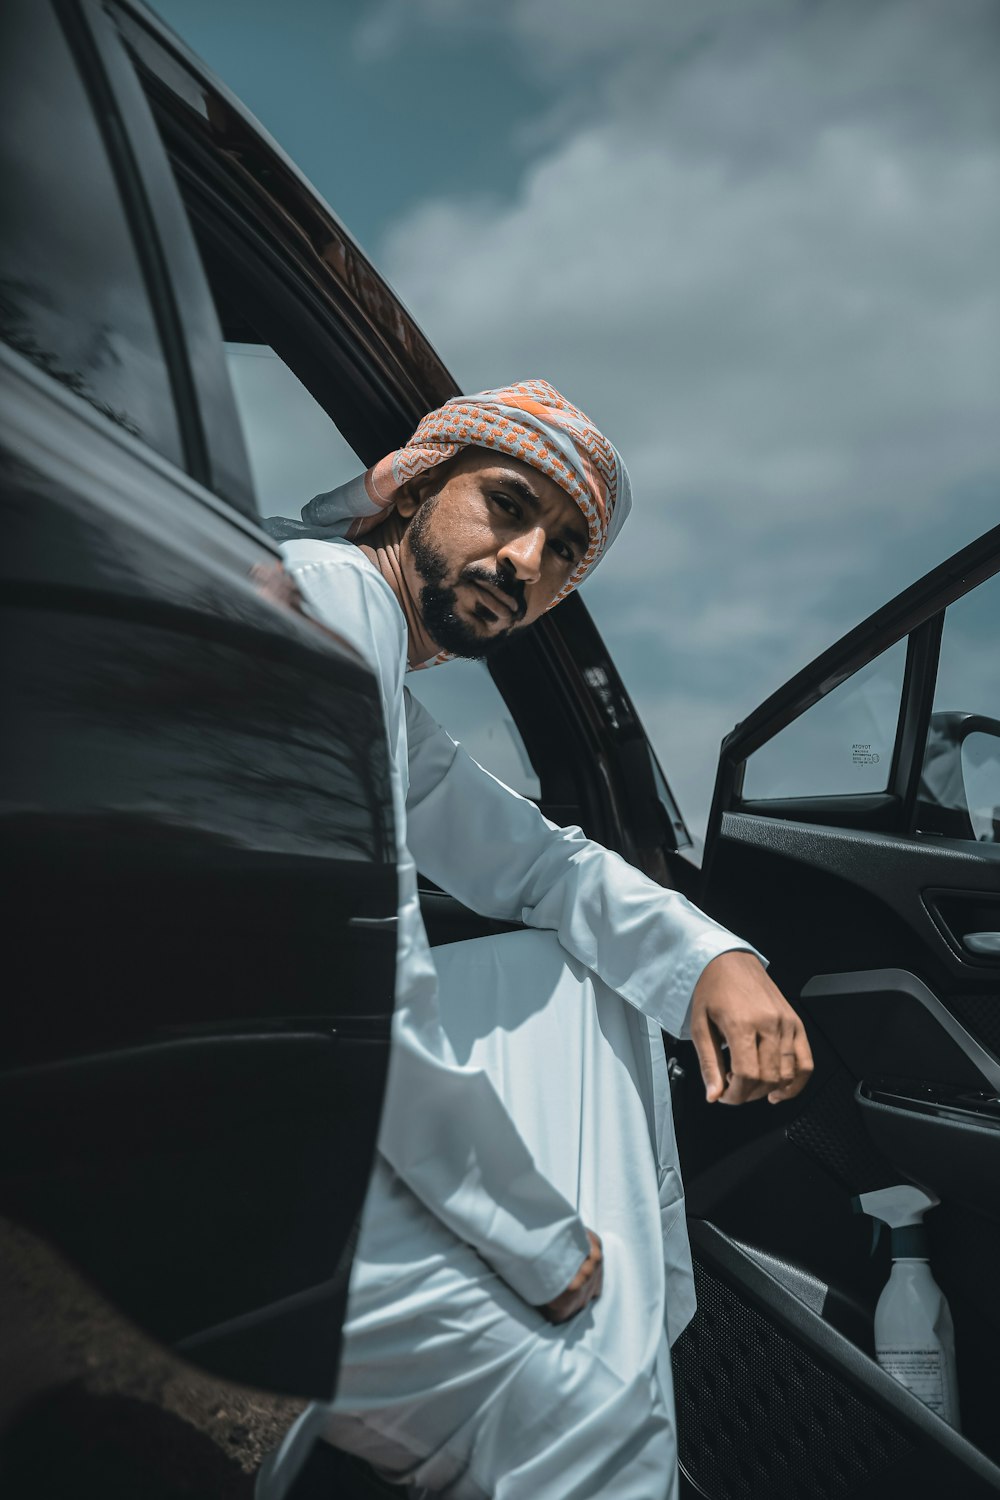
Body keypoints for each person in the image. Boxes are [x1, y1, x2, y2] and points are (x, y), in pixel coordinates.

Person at [257, 380, 813, 1500]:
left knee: (567, 962)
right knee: (586, 1409)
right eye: (505, 507)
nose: (524, 561)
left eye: (561, 552)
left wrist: (715, 956)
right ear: (408, 487)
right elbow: (370, 964)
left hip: (239, 1092)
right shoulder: (327, 606)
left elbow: (535, 862)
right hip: (191, 1141)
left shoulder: (356, 639)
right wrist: (534, 1240)